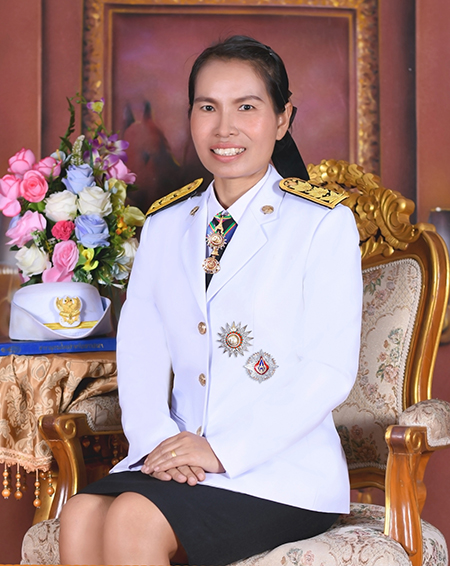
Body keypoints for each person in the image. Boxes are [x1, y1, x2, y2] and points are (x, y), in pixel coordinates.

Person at [59, 35, 363, 566]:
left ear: (283, 118)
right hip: (177, 455)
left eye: (247, 107)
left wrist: (220, 450)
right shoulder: (165, 223)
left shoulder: (322, 223)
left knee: (133, 516)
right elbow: (141, 348)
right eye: (207, 107)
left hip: (280, 471)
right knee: (81, 513)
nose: (225, 128)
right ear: (190, 117)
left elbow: (328, 370)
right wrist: (158, 443)